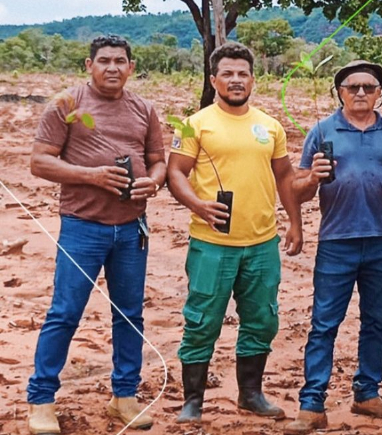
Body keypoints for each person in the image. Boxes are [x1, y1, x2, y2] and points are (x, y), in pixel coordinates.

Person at [27, 34, 165, 434]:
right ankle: (41, 400)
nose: (112, 68)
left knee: (129, 314)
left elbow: (158, 162)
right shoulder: (66, 105)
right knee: (64, 313)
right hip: (82, 227)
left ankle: (124, 396)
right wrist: (92, 176)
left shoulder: (144, 109)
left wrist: (152, 183)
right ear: (88, 66)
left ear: (131, 67)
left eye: (120, 61)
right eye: (103, 60)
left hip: (132, 229)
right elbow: (39, 162)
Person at [167, 41, 303, 424]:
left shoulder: (270, 126)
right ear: (214, 80)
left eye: (242, 73)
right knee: (201, 320)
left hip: (262, 243)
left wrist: (296, 222)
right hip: (212, 244)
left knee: (262, 319)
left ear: (253, 79)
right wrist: (198, 205)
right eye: (227, 73)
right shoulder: (197, 123)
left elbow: (285, 178)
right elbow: (176, 172)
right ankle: (193, 399)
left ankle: (251, 394)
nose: (236, 79)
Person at [283, 60, 382, 435]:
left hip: (381, 239)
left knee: (375, 322)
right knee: (324, 323)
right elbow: (299, 188)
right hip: (336, 241)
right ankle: (312, 403)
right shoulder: (323, 132)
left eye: (369, 87)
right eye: (352, 87)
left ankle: (367, 392)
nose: (361, 92)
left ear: (381, 93)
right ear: (339, 92)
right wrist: (312, 176)